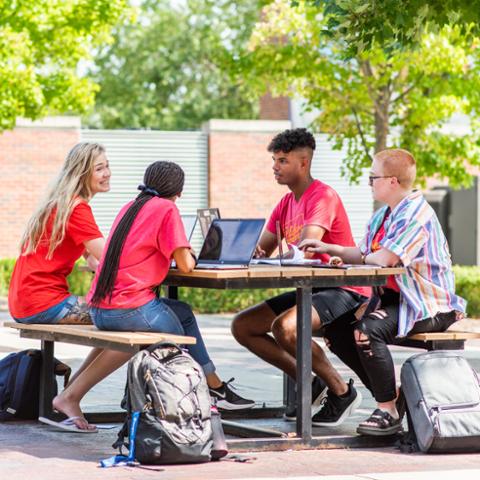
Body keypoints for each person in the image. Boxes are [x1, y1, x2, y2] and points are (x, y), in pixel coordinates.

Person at [52, 160, 254, 431]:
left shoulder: (132, 206)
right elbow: (185, 265)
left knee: (181, 313)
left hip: (101, 307)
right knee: (180, 346)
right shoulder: (166, 208)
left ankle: (214, 386)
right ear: (178, 193)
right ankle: (204, 396)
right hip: (128, 309)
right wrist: (190, 253)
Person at [299, 148, 467, 436]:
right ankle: (391, 397)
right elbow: (363, 253)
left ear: (392, 181)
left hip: (429, 306)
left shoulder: (417, 214)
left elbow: (386, 259)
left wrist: (364, 259)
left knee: (366, 330)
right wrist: (329, 249)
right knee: (337, 330)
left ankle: (387, 410)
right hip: (397, 301)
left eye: (372, 177)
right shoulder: (383, 216)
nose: (369, 182)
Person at [231, 128, 371, 427]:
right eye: (274, 160)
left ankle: (341, 391)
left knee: (286, 328)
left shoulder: (323, 196)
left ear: (303, 162)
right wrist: (248, 248)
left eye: (282, 160)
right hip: (309, 287)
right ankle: (312, 383)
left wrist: (279, 254)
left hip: (342, 287)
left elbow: (307, 249)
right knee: (243, 326)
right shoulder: (285, 203)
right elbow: (265, 248)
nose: (275, 167)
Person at [8, 142, 110, 325]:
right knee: (122, 317)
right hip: (42, 302)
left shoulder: (62, 204)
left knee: (120, 316)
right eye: (99, 169)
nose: (107, 173)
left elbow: (95, 261)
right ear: (82, 173)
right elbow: (108, 257)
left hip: (24, 301)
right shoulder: (77, 208)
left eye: (107, 166)